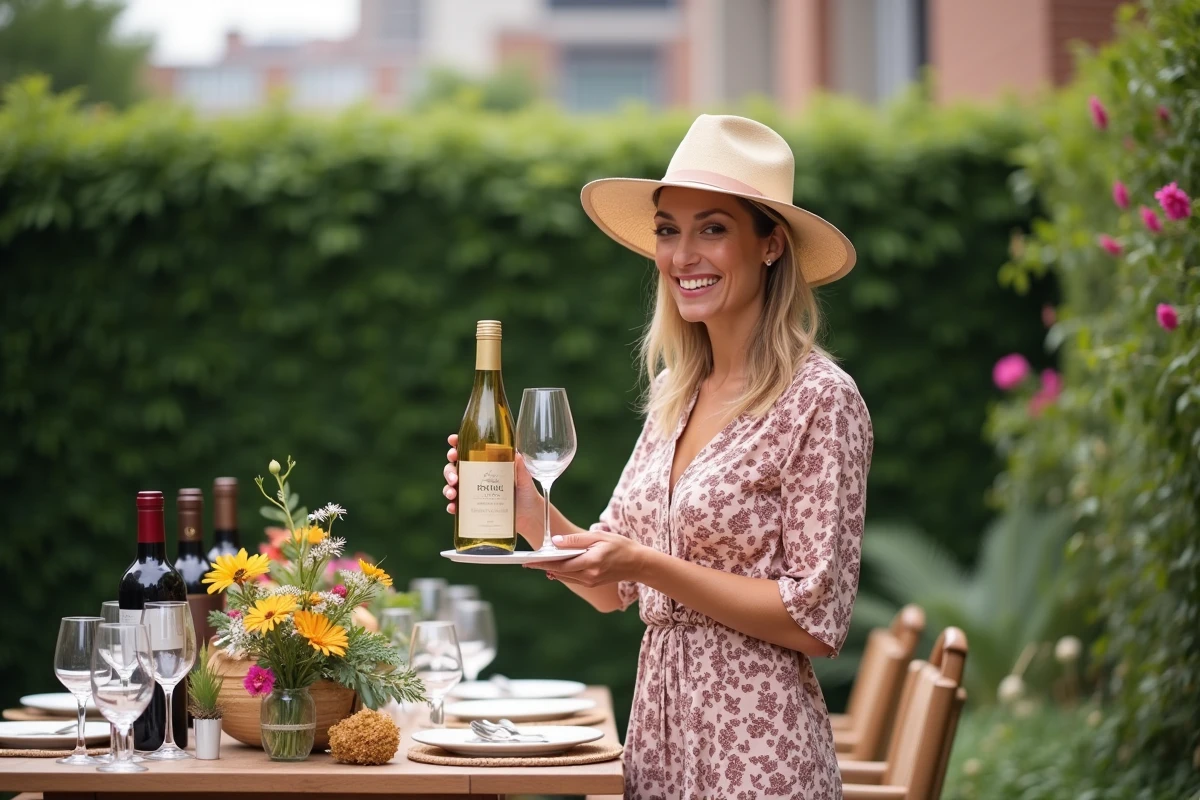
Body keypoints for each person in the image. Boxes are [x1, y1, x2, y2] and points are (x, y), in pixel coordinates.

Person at [442, 114, 873, 799]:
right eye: (668, 230)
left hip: (760, 754)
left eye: (712, 228)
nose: (682, 255)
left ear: (769, 245)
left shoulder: (821, 401)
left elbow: (812, 621)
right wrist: (526, 506)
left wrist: (648, 565)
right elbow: (610, 585)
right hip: (660, 741)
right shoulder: (678, 390)